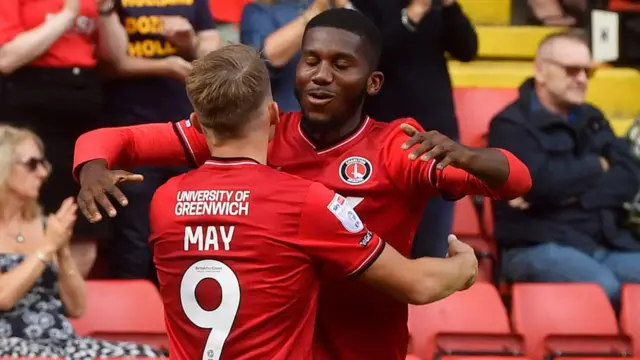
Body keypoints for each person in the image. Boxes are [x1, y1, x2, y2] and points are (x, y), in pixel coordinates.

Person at [74, 9, 532, 360]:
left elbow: (516, 179)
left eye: (341, 64)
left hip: (364, 348)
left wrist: (471, 157)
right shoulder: (253, 131)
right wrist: (91, 166)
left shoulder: (396, 146)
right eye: (310, 60)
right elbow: (116, 139)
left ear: (372, 83)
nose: (321, 74)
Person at [151, 43, 478, 360]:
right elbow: (417, 285)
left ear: (195, 124)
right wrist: (463, 266)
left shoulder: (164, 202)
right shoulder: (303, 201)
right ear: (273, 115)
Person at [487, 30, 640, 309]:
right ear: (541, 72)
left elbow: (630, 175)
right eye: (571, 70)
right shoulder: (510, 125)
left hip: (602, 244)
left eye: (587, 71)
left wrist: (571, 197)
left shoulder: (593, 117)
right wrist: (598, 165)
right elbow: (539, 182)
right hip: (535, 246)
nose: (581, 79)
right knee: (604, 288)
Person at [0, 126, 166, 358]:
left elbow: (77, 308)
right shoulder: (48, 237)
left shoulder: (46, 226)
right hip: (11, 343)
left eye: (43, 163)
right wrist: (47, 247)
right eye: (32, 164)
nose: (43, 172)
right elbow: (3, 297)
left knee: (147, 355)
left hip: (60, 342)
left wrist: (62, 250)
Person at [96, 0, 221, 281]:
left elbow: (213, 52)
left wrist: (190, 41)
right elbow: (108, 63)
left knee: (186, 241)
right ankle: (132, 321)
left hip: (187, 135)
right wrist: (163, 67)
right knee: (133, 243)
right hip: (132, 135)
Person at [353, 0, 478, 259]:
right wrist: (414, 12)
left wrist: (450, 7)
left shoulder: (439, 7)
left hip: (439, 135)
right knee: (383, 247)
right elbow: (371, 55)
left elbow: (467, 50)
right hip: (384, 137)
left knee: (432, 249)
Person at [240, 0, 353, 111]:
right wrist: (314, 12)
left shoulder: (338, 6)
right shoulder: (258, 10)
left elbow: (364, 53)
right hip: (288, 116)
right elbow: (261, 64)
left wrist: (345, 6)